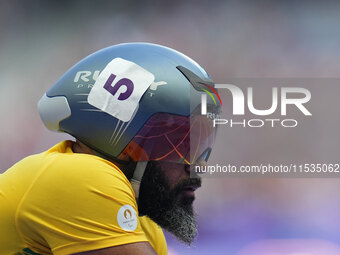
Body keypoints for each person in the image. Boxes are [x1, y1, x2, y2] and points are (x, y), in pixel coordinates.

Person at [0, 43, 220, 255]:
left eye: (202, 145)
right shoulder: (84, 178)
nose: (199, 165)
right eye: (181, 145)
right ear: (128, 145)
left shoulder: (142, 226)